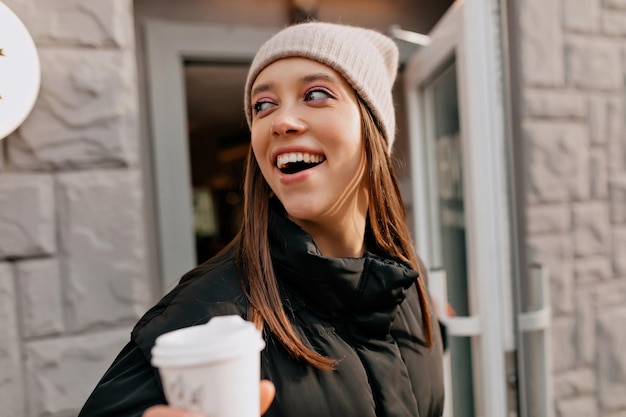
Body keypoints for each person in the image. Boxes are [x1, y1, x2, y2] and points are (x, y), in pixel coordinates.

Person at [78, 21, 444, 417]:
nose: (280, 121)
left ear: (372, 129)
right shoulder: (207, 314)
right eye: (262, 105)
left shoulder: (407, 279)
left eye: (316, 94)